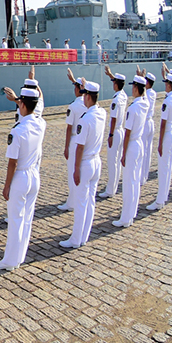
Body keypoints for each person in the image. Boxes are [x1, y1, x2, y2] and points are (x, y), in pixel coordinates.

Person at [0, 86, 47, 269]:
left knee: (16, 220)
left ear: (22, 104)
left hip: (20, 177)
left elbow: (12, 163)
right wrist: (19, 99)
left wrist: (7, 185)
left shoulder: (17, 130)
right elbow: (33, 109)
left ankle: (9, 261)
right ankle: (20, 257)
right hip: (34, 175)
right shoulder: (41, 123)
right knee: (27, 219)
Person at [61, 80, 106, 247]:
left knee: (81, 202)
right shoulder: (102, 113)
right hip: (96, 161)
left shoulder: (85, 119)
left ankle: (75, 240)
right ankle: (84, 236)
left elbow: (80, 147)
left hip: (86, 162)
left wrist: (76, 168)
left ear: (87, 96)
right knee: (90, 201)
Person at [113, 75, 150, 227]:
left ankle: (125, 218)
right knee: (135, 181)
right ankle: (132, 213)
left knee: (128, 183)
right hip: (139, 143)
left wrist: (123, 153)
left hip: (132, 144)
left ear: (136, 88)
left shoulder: (133, 108)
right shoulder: (144, 103)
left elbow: (127, 133)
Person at [148, 71, 172, 210]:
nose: (165, 86)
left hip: (167, 135)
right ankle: (164, 196)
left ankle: (159, 201)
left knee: (163, 169)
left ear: (169, 85)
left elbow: (163, 123)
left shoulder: (167, 100)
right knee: (168, 167)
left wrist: (160, 142)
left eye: (166, 84)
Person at [59, 72, 87, 212]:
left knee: (72, 172)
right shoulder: (88, 104)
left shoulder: (73, 106)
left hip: (75, 139)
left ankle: (71, 203)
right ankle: (78, 199)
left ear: (77, 89)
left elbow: (69, 128)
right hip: (86, 139)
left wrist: (66, 147)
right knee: (81, 171)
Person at [99, 70, 128, 198]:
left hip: (115, 132)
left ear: (116, 84)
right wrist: (111, 75)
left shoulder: (116, 100)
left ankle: (110, 190)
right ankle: (114, 187)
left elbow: (114, 118)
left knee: (112, 162)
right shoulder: (123, 95)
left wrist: (110, 135)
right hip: (121, 130)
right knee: (117, 161)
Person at [141, 72, 158, 185]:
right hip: (150, 122)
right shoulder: (153, 93)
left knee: (144, 150)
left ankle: (142, 177)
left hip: (146, 122)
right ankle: (144, 175)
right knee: (148, 149)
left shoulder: (147, 94)